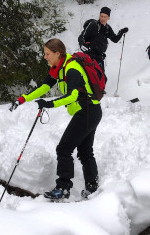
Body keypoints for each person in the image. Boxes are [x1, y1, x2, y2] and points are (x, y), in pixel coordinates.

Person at [9, 39, 102, 200]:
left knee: (64, 149)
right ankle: (92, 186)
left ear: (58, 54)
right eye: (44, 53)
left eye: (47, 54)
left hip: (87, 112)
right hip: (88, 112)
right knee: (85, 151)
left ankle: (63, 187)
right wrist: (22, 99)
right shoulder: (58, 68)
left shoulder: (71, 68)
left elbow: (72, 95)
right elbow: (44, 87)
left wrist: (49, 104)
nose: (45, 57)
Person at [78, 6, 128, 71]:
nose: (102, 18)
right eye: (101, 16)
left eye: (105, 17)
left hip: (100, 57)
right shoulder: (93, 25)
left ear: (108, 18)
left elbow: (115, 39)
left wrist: (121, 32)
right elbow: (82, 36)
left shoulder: (107, 28)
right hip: (90, 55)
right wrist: (82, 44)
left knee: (101, 78)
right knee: (93, 77)